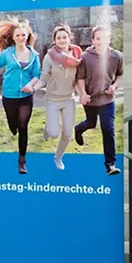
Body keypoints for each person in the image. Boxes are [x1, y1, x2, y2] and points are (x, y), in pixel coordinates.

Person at [0, 19, 41, 174]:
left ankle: (22, 161)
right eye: (18, 35)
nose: (21, 37)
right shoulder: (7, 54)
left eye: (23, 35)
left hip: (26, 95)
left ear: (27, 36)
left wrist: (31, 85)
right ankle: (12, 126)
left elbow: (37, 74)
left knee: (23, 126)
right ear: (14, 37)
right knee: (13, 124)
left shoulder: (34, 55)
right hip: (9, 95)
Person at [74, 25, 123, 175]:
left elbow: (120, 74)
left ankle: (110, 164)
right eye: (98, 38)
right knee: (91, 123)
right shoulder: (85, 57)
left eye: (104, 38)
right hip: (91, 99)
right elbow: (80, 78)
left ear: (109, 39)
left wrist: (114, 86)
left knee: (108, 129)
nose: (101, 41)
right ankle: (78, 129)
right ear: (93, 40)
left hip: (107, 100)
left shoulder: (117, 56)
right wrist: (82, 94)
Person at [39, 24, 82, 170]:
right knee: (53, 133)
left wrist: (82, 94)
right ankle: (48, 128)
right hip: (52, 99)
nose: (62, 40)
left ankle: (58, 157)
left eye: (64, 37)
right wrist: (33, 87)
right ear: (54, 40)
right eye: (59, 38)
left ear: (69, 38)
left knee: (68, 133)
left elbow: (78, 79)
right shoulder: (49, 57)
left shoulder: (77, 56)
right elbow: (44, 77)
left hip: (69, 99)